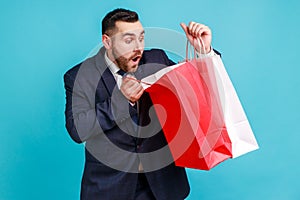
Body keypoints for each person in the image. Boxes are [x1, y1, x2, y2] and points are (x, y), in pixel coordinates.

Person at [64, 8, 218, 200]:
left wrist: (204, 52)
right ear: (107, 42)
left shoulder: (156, 59)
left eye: (141, 38)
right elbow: (77, 130)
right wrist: (122, 100)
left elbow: (196, 88)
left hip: (163, 186)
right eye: (129, 40)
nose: (139, 47)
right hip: (109, 189)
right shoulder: (80, 76)